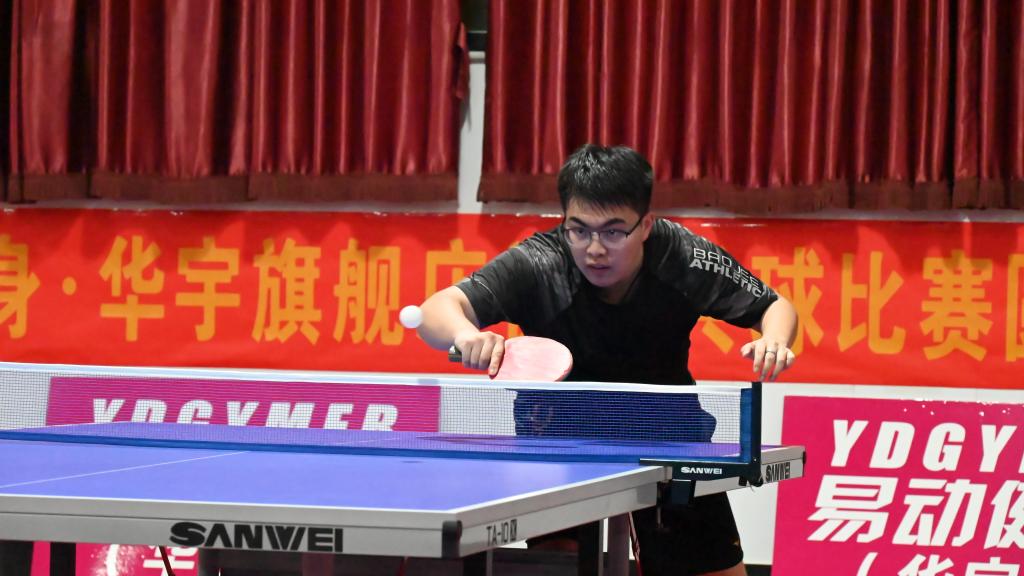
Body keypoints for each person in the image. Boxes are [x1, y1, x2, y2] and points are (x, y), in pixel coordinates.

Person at [415, 144, 797, 576]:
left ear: (646, 225)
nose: (594, 248)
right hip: (561, 443)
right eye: (579, 230)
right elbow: (436, 310)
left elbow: (774, 307)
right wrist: (465, 333)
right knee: (558, 567)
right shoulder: (539, 263)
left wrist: (775, 339)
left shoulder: (682, 257)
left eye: (614, 232)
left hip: (670, 440)